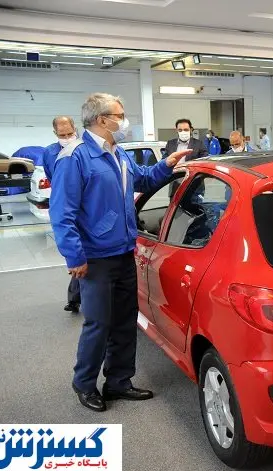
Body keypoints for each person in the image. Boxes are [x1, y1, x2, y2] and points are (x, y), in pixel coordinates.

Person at [50, 93, 192, 412]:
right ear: (102, 120)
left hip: (124, 251)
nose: (124, 121)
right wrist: (75, 257)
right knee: (99, 324)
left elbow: (143, 179)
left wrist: (166, 165)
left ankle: (118, 381)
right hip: (95, 258)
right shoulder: (75, 157)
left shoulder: (118, 153)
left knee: (125, 321)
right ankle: (84, 383)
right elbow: (62, 214)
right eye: (120, 115)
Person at [43, 116, 81, 314]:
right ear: (55, 133)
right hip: (66, 204)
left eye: (69, 134)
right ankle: (75, 299)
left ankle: (76, 298)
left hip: (83, 208)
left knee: (83, 255)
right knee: (77, 254)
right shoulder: (49, 152)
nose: (67, 138)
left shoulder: (83, 149)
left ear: (76, 129)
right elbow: (53, 177)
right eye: (62, 135)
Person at [165, 118, 208, 196]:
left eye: (186, 129)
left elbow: (205, 163)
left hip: (194, 187)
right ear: (176, 130)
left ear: (191, 130)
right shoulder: (170, 144)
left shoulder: (199, 144)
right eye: (180, 130)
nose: (183, 132)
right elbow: (164, 161)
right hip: (175, 185)